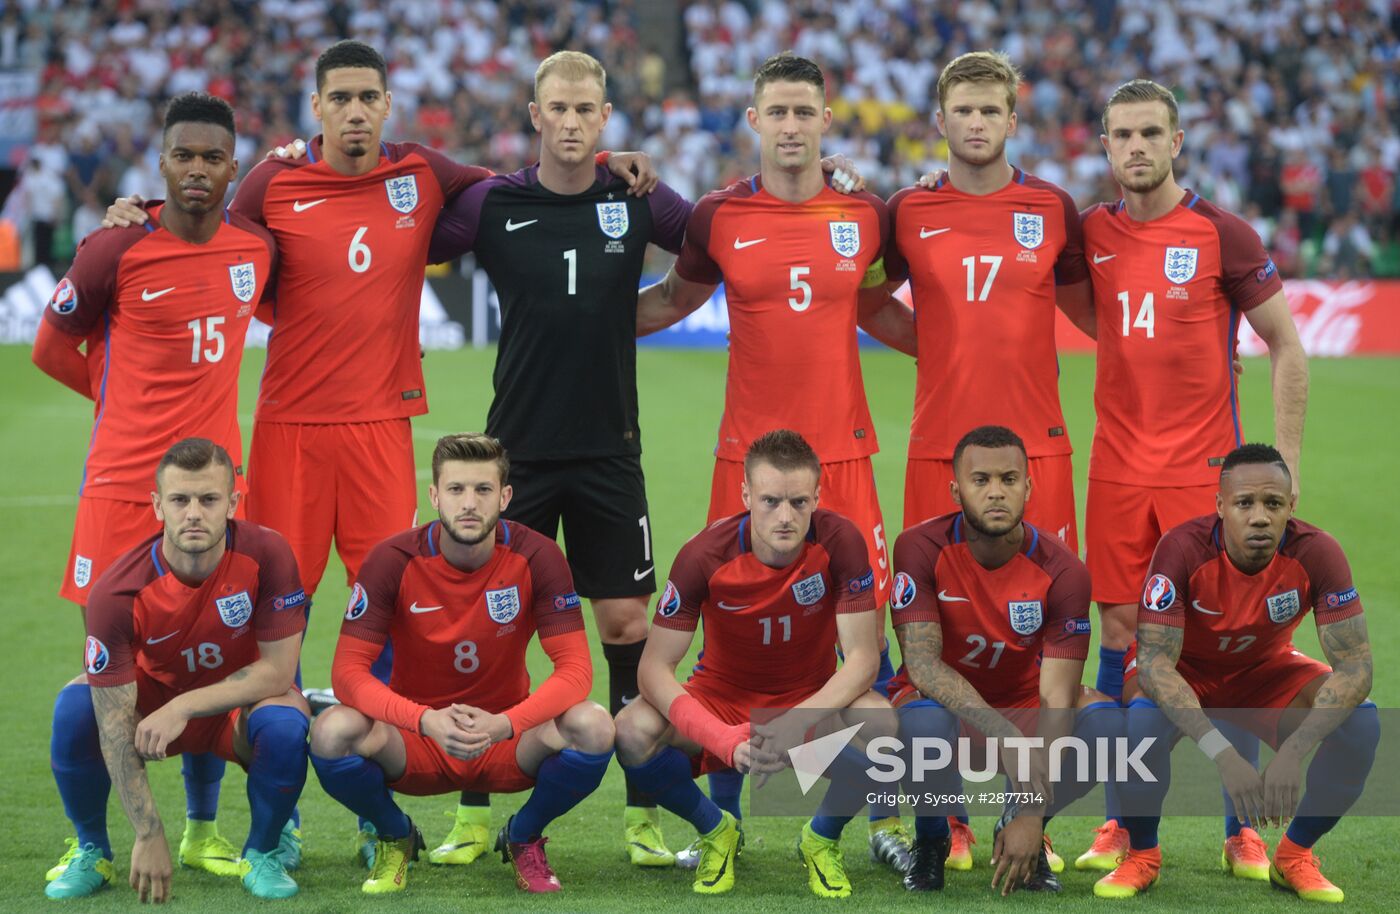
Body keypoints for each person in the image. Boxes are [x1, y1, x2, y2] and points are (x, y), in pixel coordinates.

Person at [105, 41, 657, 867]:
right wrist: (138, 212)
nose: (356, 111)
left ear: (388, 104)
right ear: (317, 107)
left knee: (395, 625)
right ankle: (267, 823)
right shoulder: (270, 180)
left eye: (369, 97)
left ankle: (380, 820)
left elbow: (528, 179)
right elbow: (214, 238)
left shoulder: (426, 174)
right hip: (289, 425)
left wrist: (603, 156)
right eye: (340, 98)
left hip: (380, 432)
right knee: (259, 628)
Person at [634, 53, 916, 867]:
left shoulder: (868, 214)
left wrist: (965, 357)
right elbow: (671, 302)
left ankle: (885, 821)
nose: (791, 126)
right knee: (732, 630)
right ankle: (728, 823)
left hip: (845, 456)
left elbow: (882, 305)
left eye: (805, 112)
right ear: (753, 121)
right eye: (777, 112)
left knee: (871, 634)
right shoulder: (718, 216)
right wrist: (581, 325)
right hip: (744, 462)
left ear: (828, 121)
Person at [427, 50, 691, 865]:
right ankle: (475, 815)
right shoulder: (493, 204)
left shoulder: (635, 197)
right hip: (518, 457)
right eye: (559, 109)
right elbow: (403, 229)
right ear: (534, 115)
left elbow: (717, 238)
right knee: (493, 631)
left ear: (605, 117)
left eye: (588, 110)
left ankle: (641, 813)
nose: (573, 123)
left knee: (625, 624)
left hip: (611, 451)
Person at [33, 92, 279, 881]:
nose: (197, 169)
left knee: (210, 657)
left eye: (212, 157)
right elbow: (49, 348)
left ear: (231, 168)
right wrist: (120, 401)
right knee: (105, 673)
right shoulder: (115, 248)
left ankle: (205, 830)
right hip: (119, 486)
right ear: (162, 163)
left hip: (213, 486)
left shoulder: (255, 247)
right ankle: (96, 843)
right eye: (184, 156)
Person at [1076, 78, 1309, 872]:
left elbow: (1287, 346)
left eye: (1150, 133)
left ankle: (1237, 828)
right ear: (1103, 145)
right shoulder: (1090, 233)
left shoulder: (1223, 234)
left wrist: (1282, 467)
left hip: (1201, 472)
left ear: (1177, 142)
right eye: (1121, 135)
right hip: (1115, 470)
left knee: (1215, 651)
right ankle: (1122, 824)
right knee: (1118, 641)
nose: (1135, 147)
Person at [881, 49, 1095, 872]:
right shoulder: (905, 211)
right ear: (940, 121)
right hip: (938, 448)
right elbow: (865, 294)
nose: (976, 123)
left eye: (990, 110)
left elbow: (1093, 309)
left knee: (1046, 639)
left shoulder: (1052, 207)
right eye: (962, 111)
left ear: (1014, 118)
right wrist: (929, 346)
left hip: (1038, 447)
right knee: (941, 632)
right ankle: (950, 819)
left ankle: (1029, 819)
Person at [307, 433, 615, 894]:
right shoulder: (392, 560)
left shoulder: (538, 556)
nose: (469, 503)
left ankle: (523, 835)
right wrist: (423, 720)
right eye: (455, 490)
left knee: (595, 725)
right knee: (331, 731)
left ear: (505, 496)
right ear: (434, 495)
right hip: (416, 738)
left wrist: (506, 723)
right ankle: (396, 835)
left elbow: (576, 671)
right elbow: (347, 674)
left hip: (507, 737)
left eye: (483, 490)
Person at [614, 429, 890, 898]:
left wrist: (793, 723)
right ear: (745, 495)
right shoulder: (703, 555)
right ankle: (715, 828)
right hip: (721, 704)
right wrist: (721, 738)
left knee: (882, 725)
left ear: (818, 496)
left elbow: (863, 658)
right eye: (769, 501)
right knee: (631, 730)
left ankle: (820, 839)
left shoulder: (841, 541)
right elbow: (653, 670)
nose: (785, 517)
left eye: (800, 503)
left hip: (807, 706)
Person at [1097, 444, 1376, 901]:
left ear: (1291, 505)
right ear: (1221, 506)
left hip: (1263, 672)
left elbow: (1357, 667)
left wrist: (1295, 749)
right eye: (1245, 503)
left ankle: (1293, 856)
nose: (1260, 517)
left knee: (1362, 722)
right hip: (1184, 670)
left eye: (1272, 503)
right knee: (1142, 721)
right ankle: (1143, 856)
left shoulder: (1319, 552)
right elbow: (1154, 663)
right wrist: (1225, 755)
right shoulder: (1181, 548)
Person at [45, 438, 310, 901]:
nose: (193, 513)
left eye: (208, 500)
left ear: (232, 502)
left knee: (286, 721)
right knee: (76, 707)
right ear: (157, 506)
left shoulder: (268, 554)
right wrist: (148, 833)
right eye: (179, 500)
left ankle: (263, 851)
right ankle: (92, 849)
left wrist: (185, 706)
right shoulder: (116, 591)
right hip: (151, 711)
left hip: (228, 710)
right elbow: (113, 723)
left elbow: (278, 672)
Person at [887, 425, 1117, 894]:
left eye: (1010, 480)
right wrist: (1005, 734)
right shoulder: (919, 548)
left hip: (1023, 707)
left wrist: (1031, 808)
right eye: (981, 480)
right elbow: (924, 666)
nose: (996, 492)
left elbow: (1056, 693)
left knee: (1106, 724)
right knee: (923, 722)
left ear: (1028, 487)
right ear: (956, 489)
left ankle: (1017, 826)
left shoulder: (1064, 570)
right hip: (942, 709)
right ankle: (931, 840)